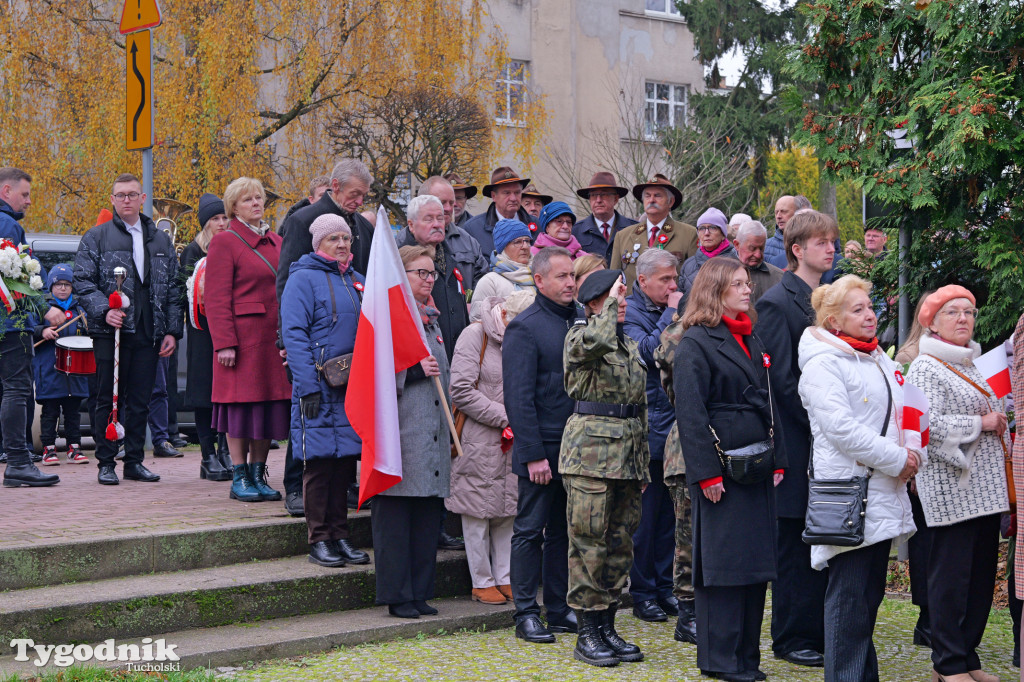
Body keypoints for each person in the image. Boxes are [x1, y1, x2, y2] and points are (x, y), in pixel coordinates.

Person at [797, 274, 919, 682]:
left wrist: (917, 440)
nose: (870, 315)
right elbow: (843, 431)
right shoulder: (823, 364)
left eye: (870, 307)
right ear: (833, 320)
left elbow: (900, 412)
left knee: (866, 602)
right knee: (848, 604)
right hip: (849, 495)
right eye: (858, 309)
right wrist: (898, 458)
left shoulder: (876, 357)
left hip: (882, 492)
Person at [675, 257, 786, 682]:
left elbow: (771, 401)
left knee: (755, 565)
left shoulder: (750, 337)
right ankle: (721, 660)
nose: (747, 290)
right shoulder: (695, 343)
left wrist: (779, 460)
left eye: (746, 283)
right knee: (723, 567)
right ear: (714, 290)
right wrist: (706, 473)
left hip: (756, 466)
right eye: (737, 284)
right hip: (722, 470)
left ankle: (746, 658)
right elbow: (690, 411)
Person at [907, 285, 1009, 682]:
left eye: (969, 312)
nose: (963, 319)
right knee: (951, 579)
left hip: (985, 489)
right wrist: (980, 423)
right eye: (953, 312)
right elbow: (925, 426)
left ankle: (967, 658)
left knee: (980, 578)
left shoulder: (973, 361)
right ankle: (947, 664)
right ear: (932, 321)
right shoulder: (926, 365)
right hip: (952, 490)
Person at [754, 209, 839, 668]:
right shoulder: (777, 302)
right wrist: (828, 417)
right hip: (797, 439)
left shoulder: (830, 299)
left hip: (826, 442)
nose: (830, 248)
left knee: (821, 539)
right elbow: (779, 382)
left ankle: (820, 630)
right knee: (794, 543)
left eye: (833, 241)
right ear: (796, 250)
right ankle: (790, 636)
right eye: (821, 241)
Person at [276, 159, 374, 518]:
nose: (359, 202)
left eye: (364, 196)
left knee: (345, 432)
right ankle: (294, 487)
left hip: (350, 353)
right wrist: (284, 341)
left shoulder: (362, 226)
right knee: (310, 424)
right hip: (312, 346)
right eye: (353, 194)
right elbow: (287, 280)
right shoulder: (304, 221)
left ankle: (343, 500)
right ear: (335, 186)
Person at [561, 269, 649, 667]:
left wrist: (642, 465)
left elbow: (638, 408)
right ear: (595, 302)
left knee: (619, 544)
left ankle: (607, 625)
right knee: (588, 543)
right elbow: (596, 339)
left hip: (626, 457)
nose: (624, 300)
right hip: (590, 457)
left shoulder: (627, 343)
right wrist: (608, 306)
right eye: (616, 294)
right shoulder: (581, 335)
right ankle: (587, 633)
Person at [73, 172, 183, 486]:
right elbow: (82, 282)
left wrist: (173, 331)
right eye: (120, 195)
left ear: (142, 198)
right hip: (112, 332)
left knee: (140, 401)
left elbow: (174, 288)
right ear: (112, 199)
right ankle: (106, 463)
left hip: (149, 332)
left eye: (132, 195)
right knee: (107, 399)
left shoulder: (159, 238)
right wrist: (104, 310)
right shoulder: (96, 237)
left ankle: (134, 462)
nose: (126, 200)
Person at [281, 214, 370, 568]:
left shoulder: (359, 281)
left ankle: (341, 533)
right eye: (334, 239)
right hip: (318, 388)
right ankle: (319, 538)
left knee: (344, 464)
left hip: (352, 387)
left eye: (346, 238)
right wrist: (306, 387)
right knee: (318, 465)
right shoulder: (301, 279)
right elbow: (295, 335)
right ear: (318, 243)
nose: (343, 244)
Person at [504, 246, 579, 643]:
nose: (570, 282)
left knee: (563, 532)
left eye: (572, 276)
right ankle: (526, 613)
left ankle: (558, 607)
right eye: (562, 276)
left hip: (576, 445)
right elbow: (517, 397)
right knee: (530, 530)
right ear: (539, 280)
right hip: (542, 447)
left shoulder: (581, 319)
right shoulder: (526, 326)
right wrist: (532, 453)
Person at [372, 244, 451, 619]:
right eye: (420, 272)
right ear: (401, 276)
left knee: (425, 520)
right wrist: (416, 371)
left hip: (431, 435)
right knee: (396, 521)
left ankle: (420, 592)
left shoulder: (431, 319)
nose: (429, 278)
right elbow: (372, 374)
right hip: (399, 436)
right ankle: (398, 594)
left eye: (431, 272)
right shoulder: (388, 318)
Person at [205, 177, 291, 503]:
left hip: (272, 340)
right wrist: (224, 342)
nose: (256, 203)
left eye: (259, 198)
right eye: (247, 200)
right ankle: (239, 476)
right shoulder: (224, 242)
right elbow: (215, 297)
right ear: (234, 207)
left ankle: (258, 473)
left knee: (267, 408)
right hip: (241, 343)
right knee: (240, 410)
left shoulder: (277, 242)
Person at [447, 291, 535, 605]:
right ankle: (481, 580)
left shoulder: (521, 336)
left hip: (512, 439)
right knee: (476, 512)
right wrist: (505, 417)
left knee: (507, 509)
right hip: (478, 437)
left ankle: (505, 576)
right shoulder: (475, 334)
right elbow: (460, 389)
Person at [624, 249, 683, 624]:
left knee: (668, 523)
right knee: (644, 524)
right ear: (643, 280)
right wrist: (671, 313)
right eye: (665, 280)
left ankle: (665, 588)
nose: (673, 286)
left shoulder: (673, 308)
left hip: (672, 429)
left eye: (675, 279)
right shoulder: (628, 312)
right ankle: (642, 592)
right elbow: (647, 353)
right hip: (646, 432)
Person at [180, 193, 232, 482]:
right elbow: (186, 290)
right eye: (215, 218)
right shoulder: (194, 252)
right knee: (204, 394)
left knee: (225, 393)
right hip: (202, 332)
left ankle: (226, 449)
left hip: (227, 328)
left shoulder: (232, 247)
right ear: (205, 224)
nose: (222, 223)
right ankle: (207, 455)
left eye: (225, 217)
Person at [396, 194, 469, 363]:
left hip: (456, 361)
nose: (437, 224)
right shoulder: (400, 262)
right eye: (428, 219)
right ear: (411, 225)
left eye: (440, 218)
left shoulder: (451, 257)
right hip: (423, 364)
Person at [32, 265, 89, 465]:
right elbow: (29, 329)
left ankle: (74, 447)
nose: (63, 288)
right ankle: (48, 449)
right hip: (50, 369)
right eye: (58, 284)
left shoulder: (80, 309)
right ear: (51, 286)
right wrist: (42, 332)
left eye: (67, 284)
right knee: (50, 411)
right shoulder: (42, 307)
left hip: (75, 372)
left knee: (73, 412)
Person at [609, 174, 697, 291]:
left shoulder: (689, 234)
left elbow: (693, 280)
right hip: (631, 306)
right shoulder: (623, 235)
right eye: (647, 196)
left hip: (670, 305)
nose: (651, 200)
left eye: (657, 195)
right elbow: (614, 279)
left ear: (670, 202)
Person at [418, 176, 488, 290]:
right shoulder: (405, 240)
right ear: (422, 202)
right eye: (442, 202)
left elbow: (482, 279)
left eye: (451, 202)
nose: (449, 208)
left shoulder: (468, 241)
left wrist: (472, 302)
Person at [469, 219, 534, 322]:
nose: (525, 246)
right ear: (503, 247)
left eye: (527, 241)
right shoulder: (490, 282)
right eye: (517, 242)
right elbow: (478, 321)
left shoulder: (540, 274)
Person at [463, 167, 533, 259]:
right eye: (506, 193)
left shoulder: (536, 225)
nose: (513, 198)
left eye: (517, 192)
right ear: (493, 196)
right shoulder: (473, 229)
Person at [572, 171, 635, 262]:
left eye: (603, 194)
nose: (598, 200)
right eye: (593, 195)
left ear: (616, 199)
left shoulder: (633, 229)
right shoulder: (576, 232)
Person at [680, 208, 739, 298]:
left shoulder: (736, 262)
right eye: (702, 228)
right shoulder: (688, 265)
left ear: (723, 234)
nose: (706, 233)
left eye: (713, 228)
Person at [733, 221, 783, 306]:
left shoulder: (779, 277)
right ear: (737, 245)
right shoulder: (721, 274)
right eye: (752, 248)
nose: (758, 255)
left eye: (761, 249)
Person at [763, 195, 796, 269]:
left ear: (797, 213)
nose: (778, 216)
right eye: (776, 212)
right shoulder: (765, 246)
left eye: (784, 211)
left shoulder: (810, 244)